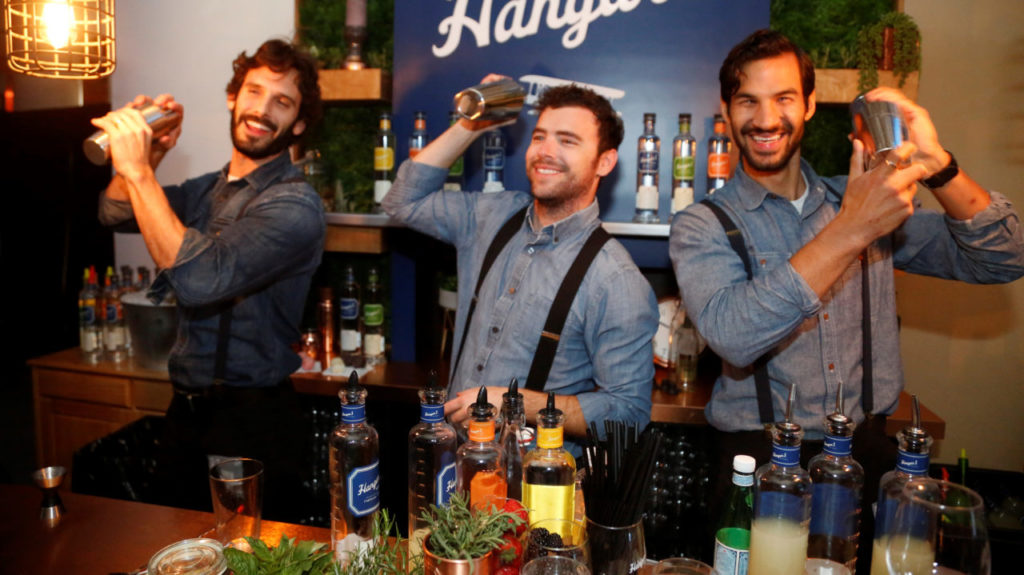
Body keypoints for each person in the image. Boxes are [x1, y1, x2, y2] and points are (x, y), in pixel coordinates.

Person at [670, 28, 1024, 568]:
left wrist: (937, 165)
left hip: (870, 454)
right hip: (757, 462)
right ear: (726, 108)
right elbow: (734, 336)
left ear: (810, 105)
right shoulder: (703, 224)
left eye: (784, 98)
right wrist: (851, 230)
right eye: (748, 101)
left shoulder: (862, 200)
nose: (766, 120)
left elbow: (1005, 257)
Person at [95, 39, 325, 523]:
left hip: (254, 422)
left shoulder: (294, 206)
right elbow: (114, 212)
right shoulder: (208, 190)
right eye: (254, 91)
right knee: (172, 549)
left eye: (281, 102)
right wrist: (150, 156)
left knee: (245, 556)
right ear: (232, 98)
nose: (261, 109)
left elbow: (199, 280)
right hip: (187, 412)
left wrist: (137, 169)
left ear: (298, 124)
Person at [384, 79, 658, 453]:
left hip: (536, 486)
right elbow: (402, 201)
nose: (546, 151)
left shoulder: (616, 279)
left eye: (568, 140)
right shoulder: (493, 215)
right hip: (454, 459)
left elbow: (628, 412)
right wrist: (473, 123)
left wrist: (518, 404)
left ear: (605, 162)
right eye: (539, 137)